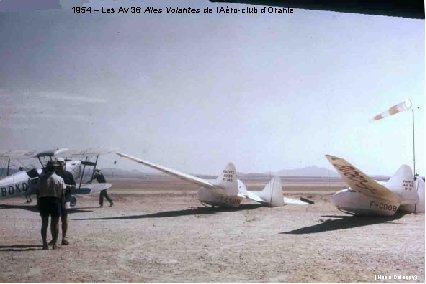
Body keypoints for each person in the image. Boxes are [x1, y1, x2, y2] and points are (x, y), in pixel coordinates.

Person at [36, 161, 65, 250]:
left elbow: (38, 191)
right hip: (55, 201)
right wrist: (62, 204)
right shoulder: (59, 179)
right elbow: (63, 193)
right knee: (55, 223)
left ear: (47, 168)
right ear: (55, 168)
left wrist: (38, 203)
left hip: (44, 201)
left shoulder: (41, 178)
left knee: (44, 224)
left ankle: (44, 244)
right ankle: (55, 244)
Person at [53, 158, 76, 246]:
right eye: (58, 164)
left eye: (61, 164)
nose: (59, 166)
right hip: (56, 199)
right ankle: (54, 238)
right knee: (55, 220)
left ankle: (64, 237)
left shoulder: (69, 174)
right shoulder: (54, 175)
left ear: (64, 165)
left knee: (64, 219)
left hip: (65, 199)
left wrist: (68, 187)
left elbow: (74, 186)